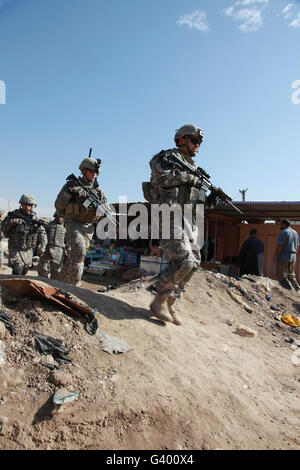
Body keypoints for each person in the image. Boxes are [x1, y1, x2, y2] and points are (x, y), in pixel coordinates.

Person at [143, 124, 209, 326]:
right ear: (181, 139)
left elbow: (195, 199)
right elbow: (158, 179)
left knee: (194, 263)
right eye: (194, 140)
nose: (197, 145)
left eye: (199, 142)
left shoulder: (197, 170)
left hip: (189, 218)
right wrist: (187, 178)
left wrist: (207, 198)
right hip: (168, 215)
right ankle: (159, 300)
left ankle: (172, 302)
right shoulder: (166, 157)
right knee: (184, 261)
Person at [55, 157, 107, 286]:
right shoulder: (71, 185)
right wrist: (70, 192)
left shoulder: (99, 191)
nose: (94, 174)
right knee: (80, 251)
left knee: (77, 256)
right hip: (73, 223)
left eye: (96, 172)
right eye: (92, 171)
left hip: (88, 227)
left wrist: (100, 210)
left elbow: (103, 212)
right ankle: (74, 286)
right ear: (84, 171)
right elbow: (58, 205)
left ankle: (60, 281)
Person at [1, 194, 47, 275]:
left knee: (24, 271)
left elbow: (42, 233)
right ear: (21, 204)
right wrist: (14, 221)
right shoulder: (14, 215)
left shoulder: (34, 218)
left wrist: (42, 246)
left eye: (30, 205)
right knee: (18, 268)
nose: (28, 207)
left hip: (28, 249)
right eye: (26, 204)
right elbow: (3, 228)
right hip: (16, 247)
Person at [273, 219, 300, 291]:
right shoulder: (295, 233)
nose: (280, 226)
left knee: (281, 275)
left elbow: (280, 246)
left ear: (284, 224)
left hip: (284, 256)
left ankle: (288, 289)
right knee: (291, 275)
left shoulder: (284, 232)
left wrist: (275, 256)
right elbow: (297, 246)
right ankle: (298, 289)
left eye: (281, 224)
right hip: (293, 257)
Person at [37, 212, 66, 279]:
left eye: (62, 217)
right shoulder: (48, 225)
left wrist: (68, 251)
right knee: (42, 269)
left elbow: (68, 240)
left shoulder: (66, 227)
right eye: (58, 216)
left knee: (57, 271)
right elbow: (42, 237)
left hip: (59, 251)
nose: (60, 218)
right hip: (47, 249)